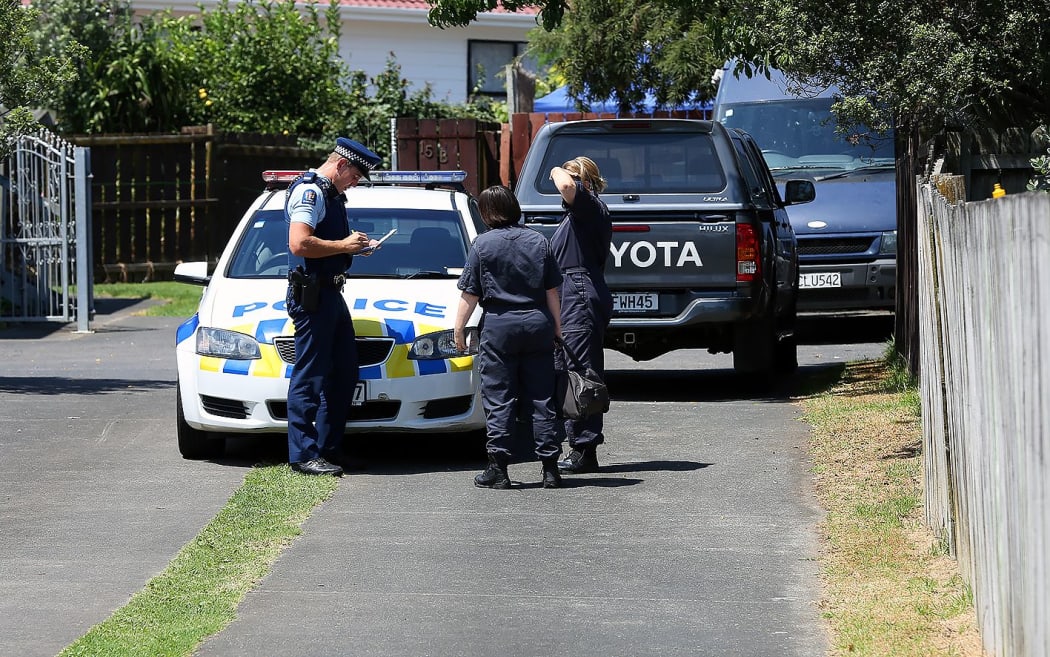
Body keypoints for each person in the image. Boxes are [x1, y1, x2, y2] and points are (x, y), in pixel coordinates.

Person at [454, 185, 564, 489]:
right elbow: (551, 292)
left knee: (499, 397)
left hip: (500, 327)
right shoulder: (539, 241)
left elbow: (470, 293)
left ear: (487, 213)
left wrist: (459, 328)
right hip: (537, 323)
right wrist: (557, 328)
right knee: (543, 396)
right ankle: (551, 468)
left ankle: (499, 469)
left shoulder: (482, 245)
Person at [285, 137, 382, 476]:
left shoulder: (331, 194)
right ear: (341, 165)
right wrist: (343, 244)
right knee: (310, 375)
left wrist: (353, 248)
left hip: (331, 294)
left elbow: (325, 244)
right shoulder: (310, 192)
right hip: (314, 295)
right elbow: (299, 243)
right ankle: (302, 455)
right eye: (355, 175)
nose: (355, 183)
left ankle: (328, 449)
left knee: (343, 374)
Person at [549, 156, 613, 474]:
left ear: (585, 183)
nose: (564, 186)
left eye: (576, 179)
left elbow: (563, 182)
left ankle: (585, 448)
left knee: (582, 374)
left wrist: (558, 170)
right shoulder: (577, 216)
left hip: (580, 295)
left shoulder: (590, 207)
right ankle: (577, 444)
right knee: (567, 371)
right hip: (570, 295)